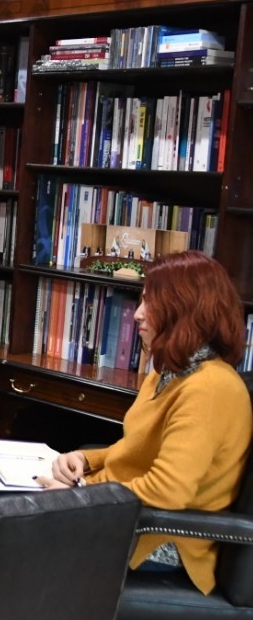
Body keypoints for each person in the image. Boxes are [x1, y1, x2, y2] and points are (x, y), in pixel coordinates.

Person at [38, 250, 252, 595]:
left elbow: (168, 490)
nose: (137, 314)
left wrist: (82, 494)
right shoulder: (169, 371)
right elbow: (136, 448)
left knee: (13, 536)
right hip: (125, 517)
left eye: (150, 304)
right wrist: (86, 460)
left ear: (184, 310)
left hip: (164, 540)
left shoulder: (211, 388)